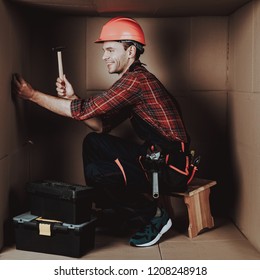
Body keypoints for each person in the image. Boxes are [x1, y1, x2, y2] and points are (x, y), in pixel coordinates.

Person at [12, 17, 191, 247]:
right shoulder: (132, 82)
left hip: (172, 168)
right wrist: (72, 98)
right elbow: (101, 125)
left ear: (131, 52)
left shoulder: (136, 81)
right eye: (103, 50)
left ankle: (154, 216)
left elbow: (83, 111)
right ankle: (118, 212)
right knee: (94, 142)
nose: (104, 56)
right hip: (155, 158)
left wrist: (33, 95)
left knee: (99, 172)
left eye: (110, 49)